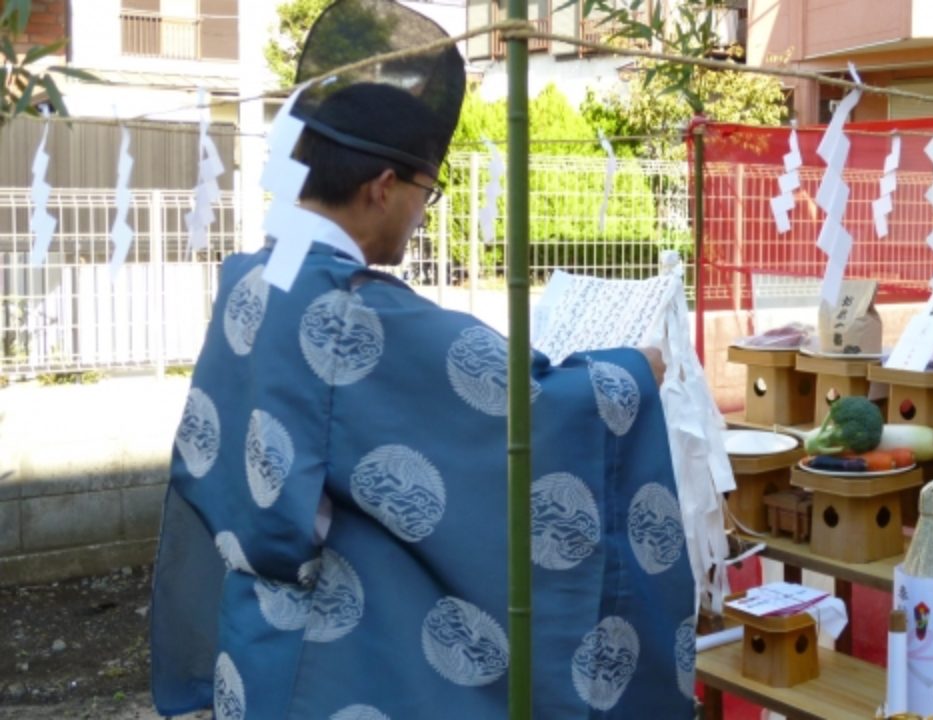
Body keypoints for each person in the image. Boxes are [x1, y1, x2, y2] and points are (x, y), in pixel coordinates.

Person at [148, 4, 693, 718]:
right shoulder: (355, 317)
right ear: (382, 185)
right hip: (339, 665)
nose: (418, 215)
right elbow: (537, 408)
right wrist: (635, 371)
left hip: (253, 641)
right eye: (424, 195)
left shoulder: (252, 276)